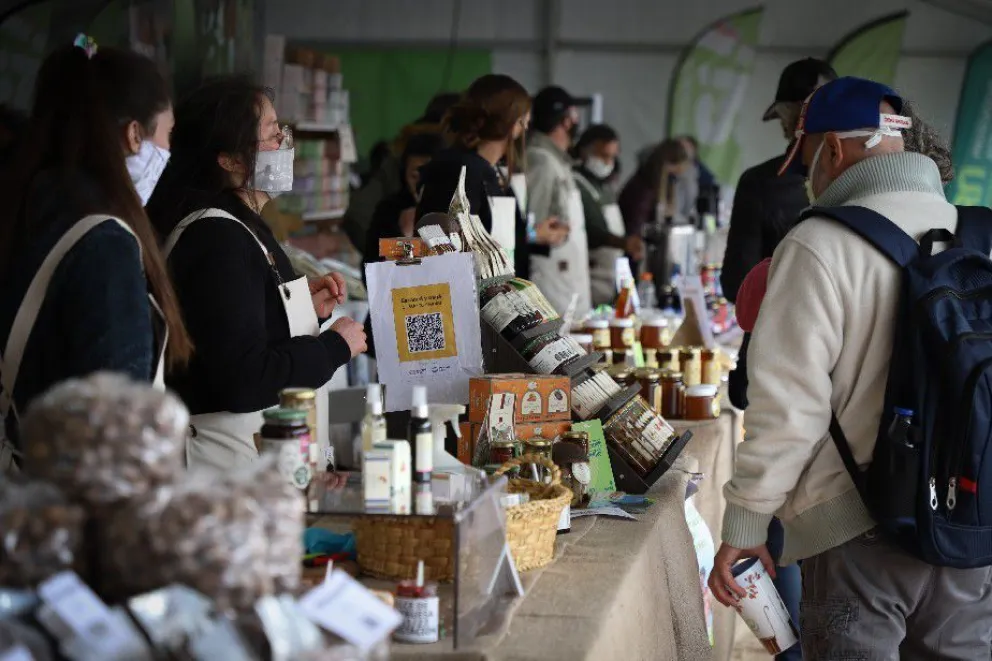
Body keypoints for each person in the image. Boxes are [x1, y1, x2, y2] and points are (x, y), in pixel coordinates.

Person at [709, 77, 992, 659]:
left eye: (808, 159)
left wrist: (746, 525)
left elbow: (790, 411)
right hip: (972, 523)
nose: (808, 176)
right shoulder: (983, 237)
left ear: (833, 149)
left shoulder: (818, 244)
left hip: (856, 534)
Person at [146, 75, 366, 472]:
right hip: (227, 472)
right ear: (230, 160)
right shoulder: (217, 238)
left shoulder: (241, 226)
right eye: (271, 134)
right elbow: (244, 376)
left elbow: (242, 329)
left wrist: (300, 309)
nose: (284, 143)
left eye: (282, 131)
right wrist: (333, 347)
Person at [0, 39, 192, 468]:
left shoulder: (26, 204)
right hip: (73, 492)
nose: (170, 152)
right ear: (134, 135)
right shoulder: (104, 242)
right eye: (168, 135)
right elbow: (115, 427)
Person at [417, 74, 566, 279]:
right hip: (468, 294)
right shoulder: (462, 171)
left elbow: (494, 237)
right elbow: (449, 243)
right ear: (517, 122)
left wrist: (533, 235)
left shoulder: (492, 173)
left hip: (497, 290)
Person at [720, 58, 837, 302]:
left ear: (788, 119)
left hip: (777, 321)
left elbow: (737, 285)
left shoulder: (759, 183)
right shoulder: (867, 182)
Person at [344, 92, 459, 256]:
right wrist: (405, 238)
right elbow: (373, 259)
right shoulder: (391, 209)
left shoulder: (459, 208)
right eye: (414, 176)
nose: (421, 185)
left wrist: (411, 245)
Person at [527, 85, 591, 317]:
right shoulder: (541, 160)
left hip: (567, 282)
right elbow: (532, 227)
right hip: (552, 283)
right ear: (566, 121)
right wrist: (540, 233)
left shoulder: (558, 161)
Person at [572, 124, 644, 305]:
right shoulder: (576, 183)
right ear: (584, 151)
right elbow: (592, 231)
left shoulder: (604, 186)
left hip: (610, 275)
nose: (608, 163)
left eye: (612, 157)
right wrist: (623, 243)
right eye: (603, 156)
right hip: (591, 276)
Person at [618, 138, 691, 281]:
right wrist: (637, 244)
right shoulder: (645, 187)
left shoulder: (654, 182)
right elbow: (636, 220)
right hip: (635, 251)